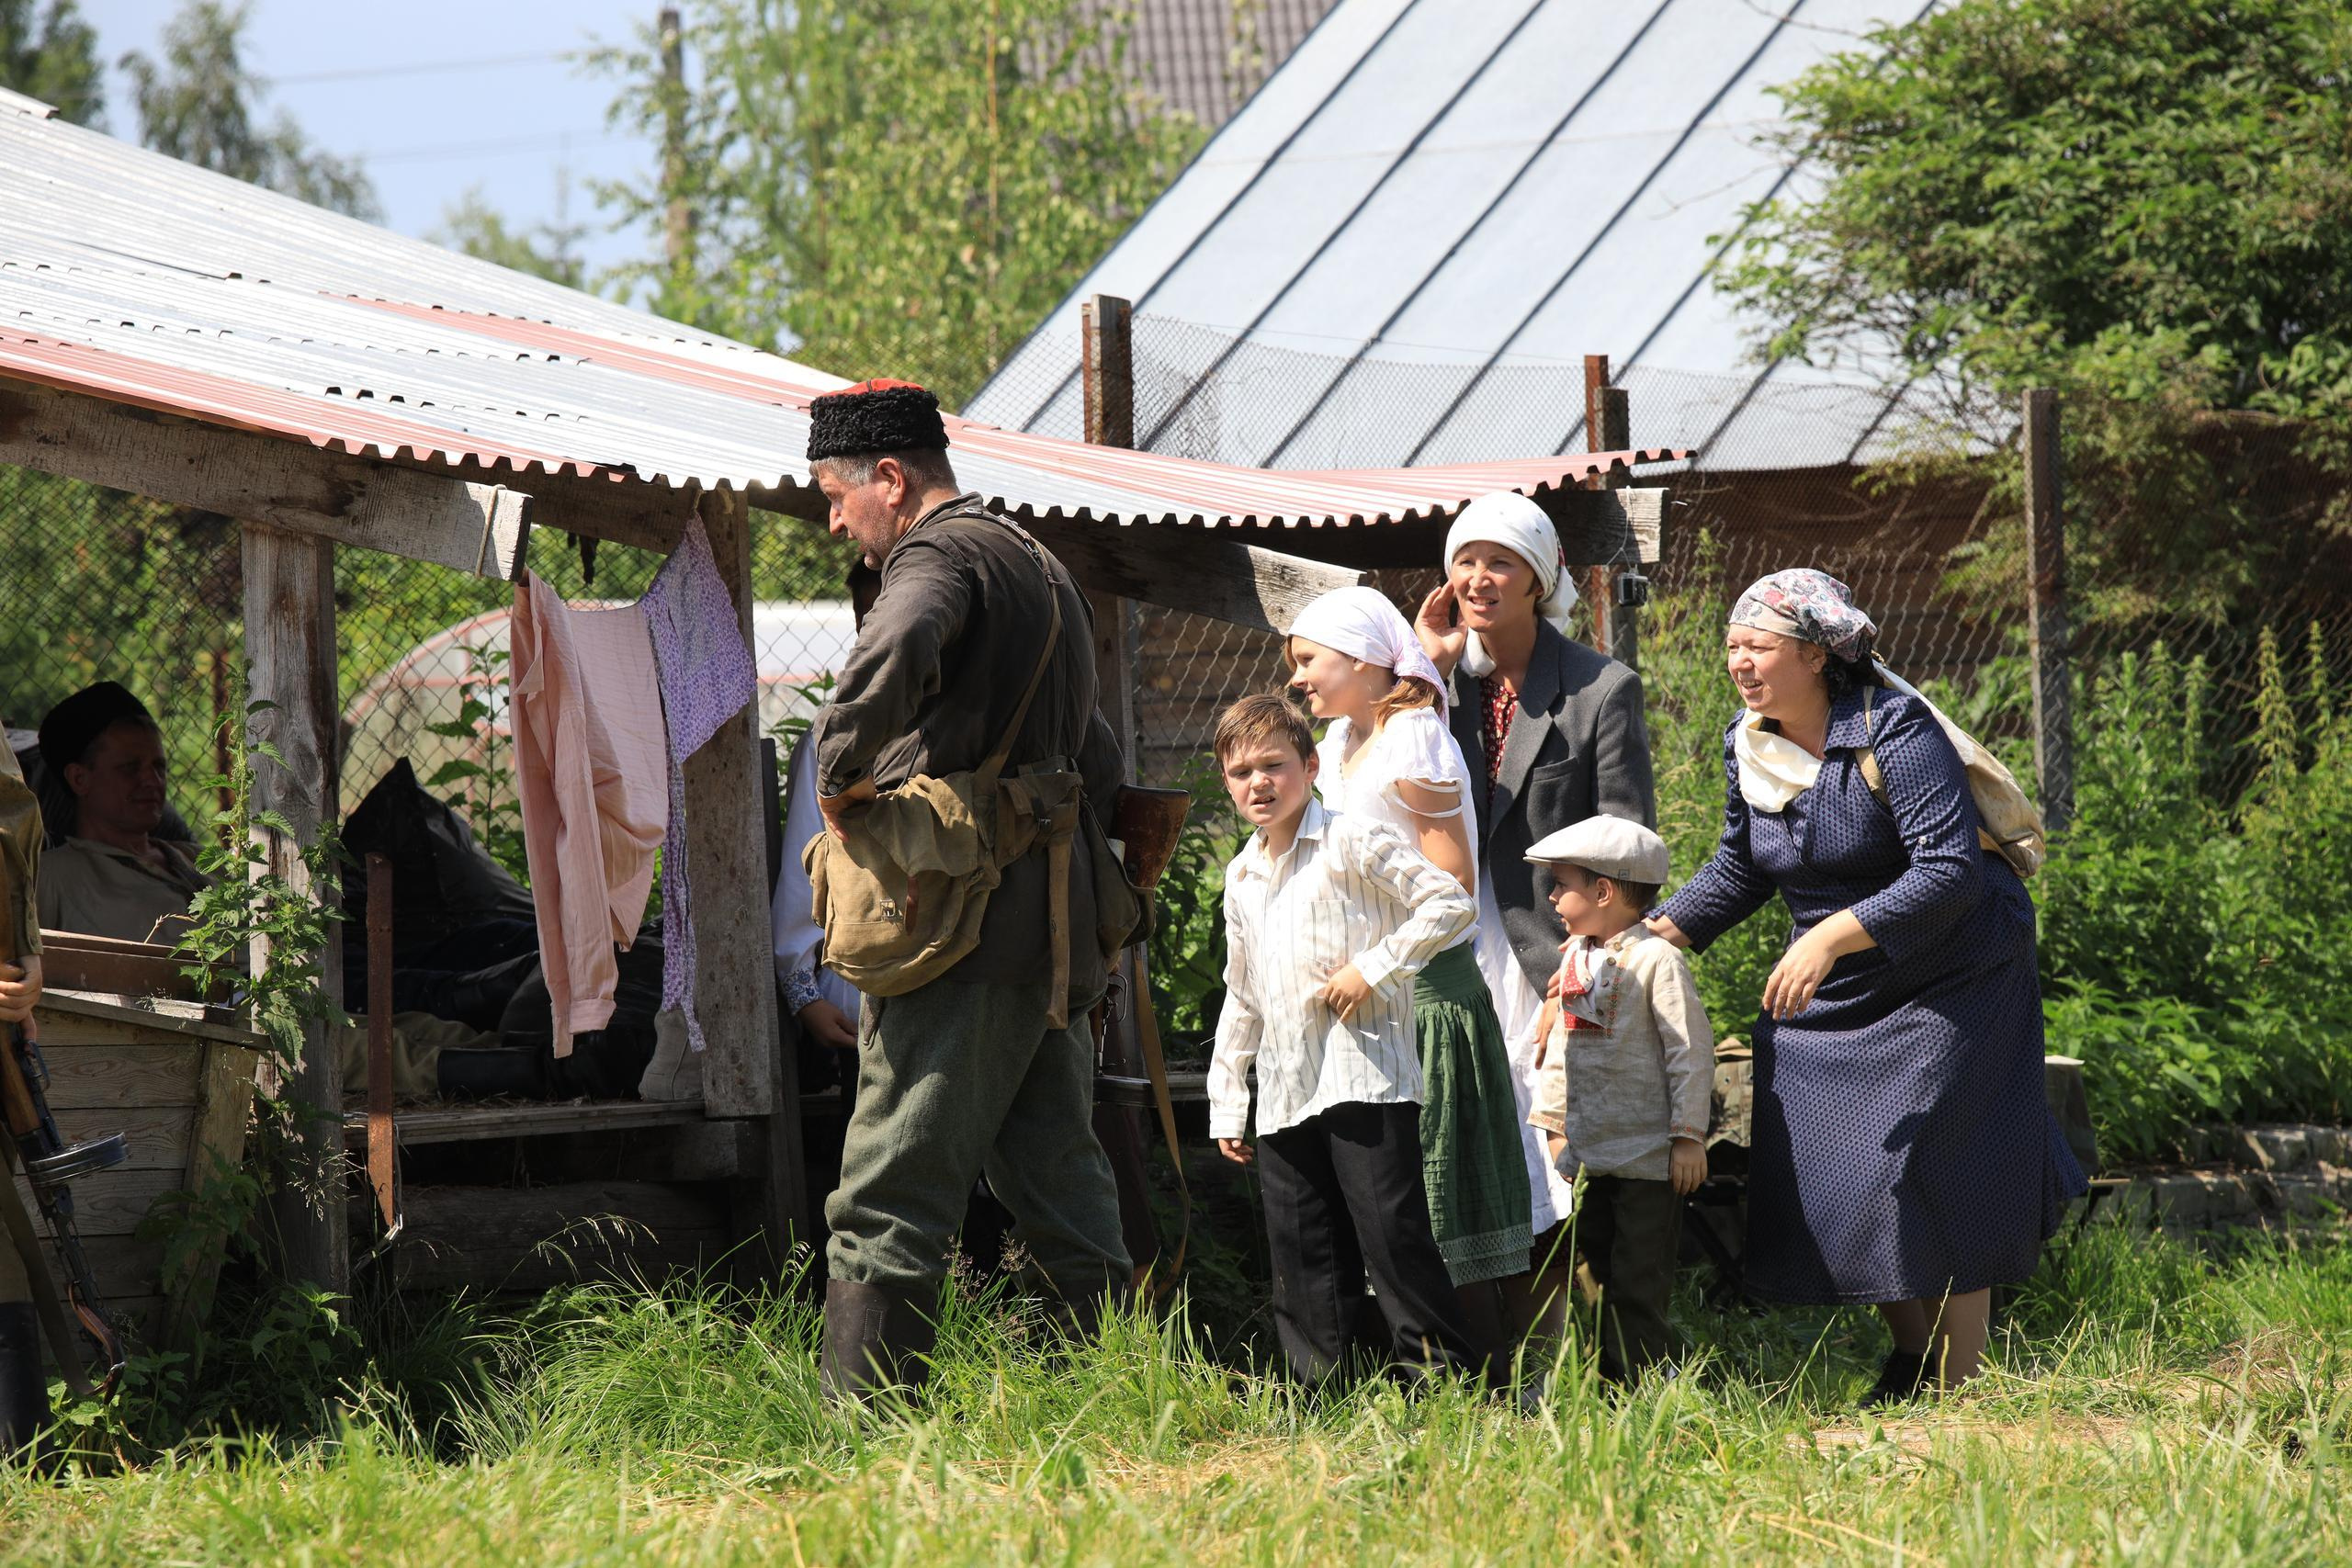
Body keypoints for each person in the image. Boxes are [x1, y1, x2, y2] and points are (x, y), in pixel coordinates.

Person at [1645, 569, 2086, 1401]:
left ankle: (1963, 1385)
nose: (1740, 662)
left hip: (1955, 965)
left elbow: (1950, 870)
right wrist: (1653, 932)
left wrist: (1828, 938)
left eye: (1759, 646)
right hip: (1844, 983)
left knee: (1931, 1160)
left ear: (1815, 655)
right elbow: (1741, 867)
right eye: (1732, 647)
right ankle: (1911, 1355)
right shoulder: (1750, 742)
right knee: (1844, 1166)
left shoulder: (1895, 728)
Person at [806, 378, 1131, 1397]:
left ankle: (858, 1436)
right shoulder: (1038, 562)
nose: (831, 518)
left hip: (958, 930)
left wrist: (838, 775)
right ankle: (1121, 1400)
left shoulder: (939, 556)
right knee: (1063, 1194)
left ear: (890, 480)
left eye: (835, 495)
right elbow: (1101, 755)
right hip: (1053, 936)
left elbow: (895, 648)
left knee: (887, 1191)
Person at [32, 682, 531, 1101]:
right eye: (130, 768)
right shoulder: (54, 875)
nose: (152, 781)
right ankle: (525, 1078)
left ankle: (526, 1054)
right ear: (79, 778)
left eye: (159, 766)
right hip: (193, 1034)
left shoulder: (189, 858)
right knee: (339, 1045)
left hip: (278, 1004)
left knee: (402, 1023)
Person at [1413, 491, 1657, 1337]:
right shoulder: (1435, 687)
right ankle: (1491, 1350)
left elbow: (1627, 852)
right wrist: (1427, 667)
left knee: (1541, 1155)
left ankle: (1559, 1350)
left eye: (1501, 561)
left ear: (1540, 576)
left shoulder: (1599, 688)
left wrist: (1576, 972)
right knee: (1466, 1141)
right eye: (1465, 561)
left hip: (1544, 953)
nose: (1479, 578)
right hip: (1445, 944)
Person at [1205, 694, 1479, 1386]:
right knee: (1301, 1251)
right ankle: (1320, 1396)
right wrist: (1228, 1099)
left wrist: (1373, 968)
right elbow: (1244, 993)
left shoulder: (1350, 838)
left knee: (1392, 1239)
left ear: (1311, 764)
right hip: (1286, 1085)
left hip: (1365, 1074)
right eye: (1241, 772)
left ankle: (1445, 1388)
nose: (1258, 782)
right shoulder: (1240, 875)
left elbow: (1449, 901)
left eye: (1274, 764)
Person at [1287, 587, 1532, 1362]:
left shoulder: (1412, 736)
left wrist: (1377, 961)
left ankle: (1489, 1376)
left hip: (1422, 989)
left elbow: (1451, 883)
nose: (1296, 678)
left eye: (1308, 660)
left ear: (1361, 660)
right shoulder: (1341, 739)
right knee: (1397, 1196)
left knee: (1441, 1189)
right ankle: (1436, 1371)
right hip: (1370, 996)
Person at [1522, 816, 1712, 1387]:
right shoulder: (1575, 959)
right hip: (1594, 1156)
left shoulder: (1658, 961)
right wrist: (1555, 1126)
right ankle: (1610, 1384)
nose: (1552, 896)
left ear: (1603, 891)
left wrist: (1687, 1136)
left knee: (1637, 1279)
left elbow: (1688, 1052)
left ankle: (1654, 1387)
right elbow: (1562, 1049)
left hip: (1649, 1158)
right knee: (1594, 1274)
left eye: (1562, 884)